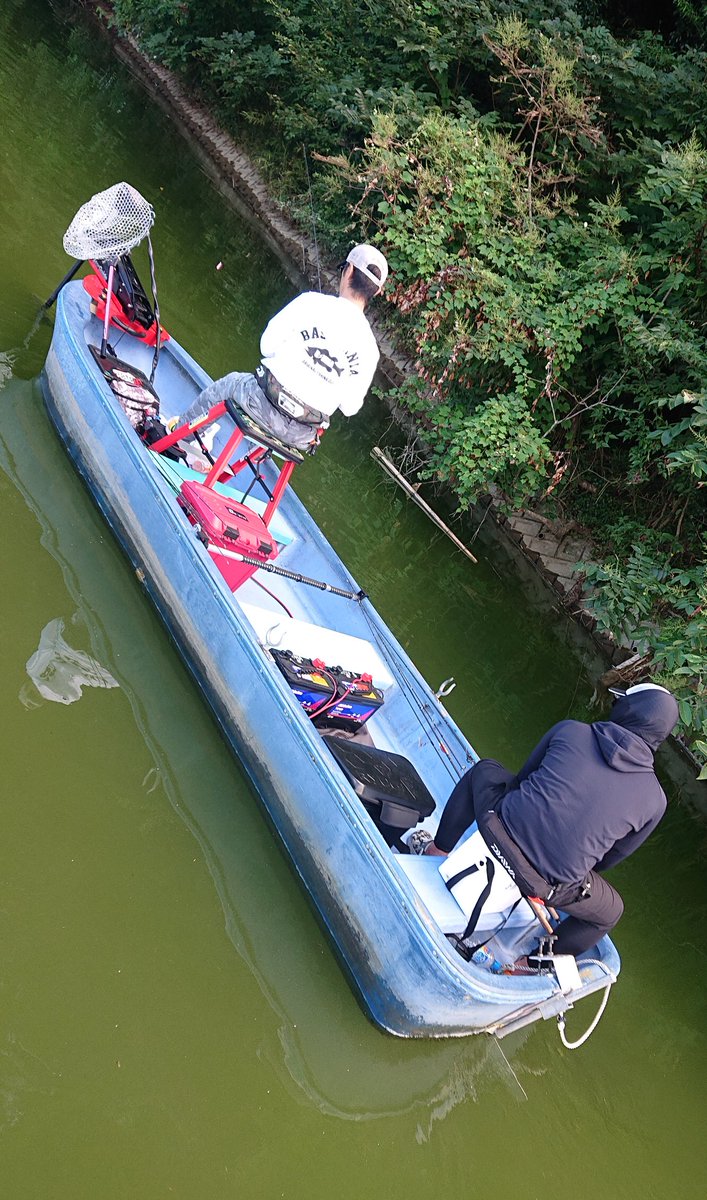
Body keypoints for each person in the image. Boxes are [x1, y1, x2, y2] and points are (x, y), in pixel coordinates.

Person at [412, 684, 679, 959]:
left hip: (497, 828)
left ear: (628, 709)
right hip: (548, 885)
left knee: (484, 771)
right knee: (609, 913)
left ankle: (437, 850)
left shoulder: (572, 730)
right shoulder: (655, 801)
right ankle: (532, 963)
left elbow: (520, 781)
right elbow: (606, 861)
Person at [186, 244, 388, 451]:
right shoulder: (371, 350)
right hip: (300, 437)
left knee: (231, 382)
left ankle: (181, 437)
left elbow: (266, 346)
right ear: (378, 291)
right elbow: (350, 408)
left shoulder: (310, 302)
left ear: (350, 270)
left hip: (258, 404)